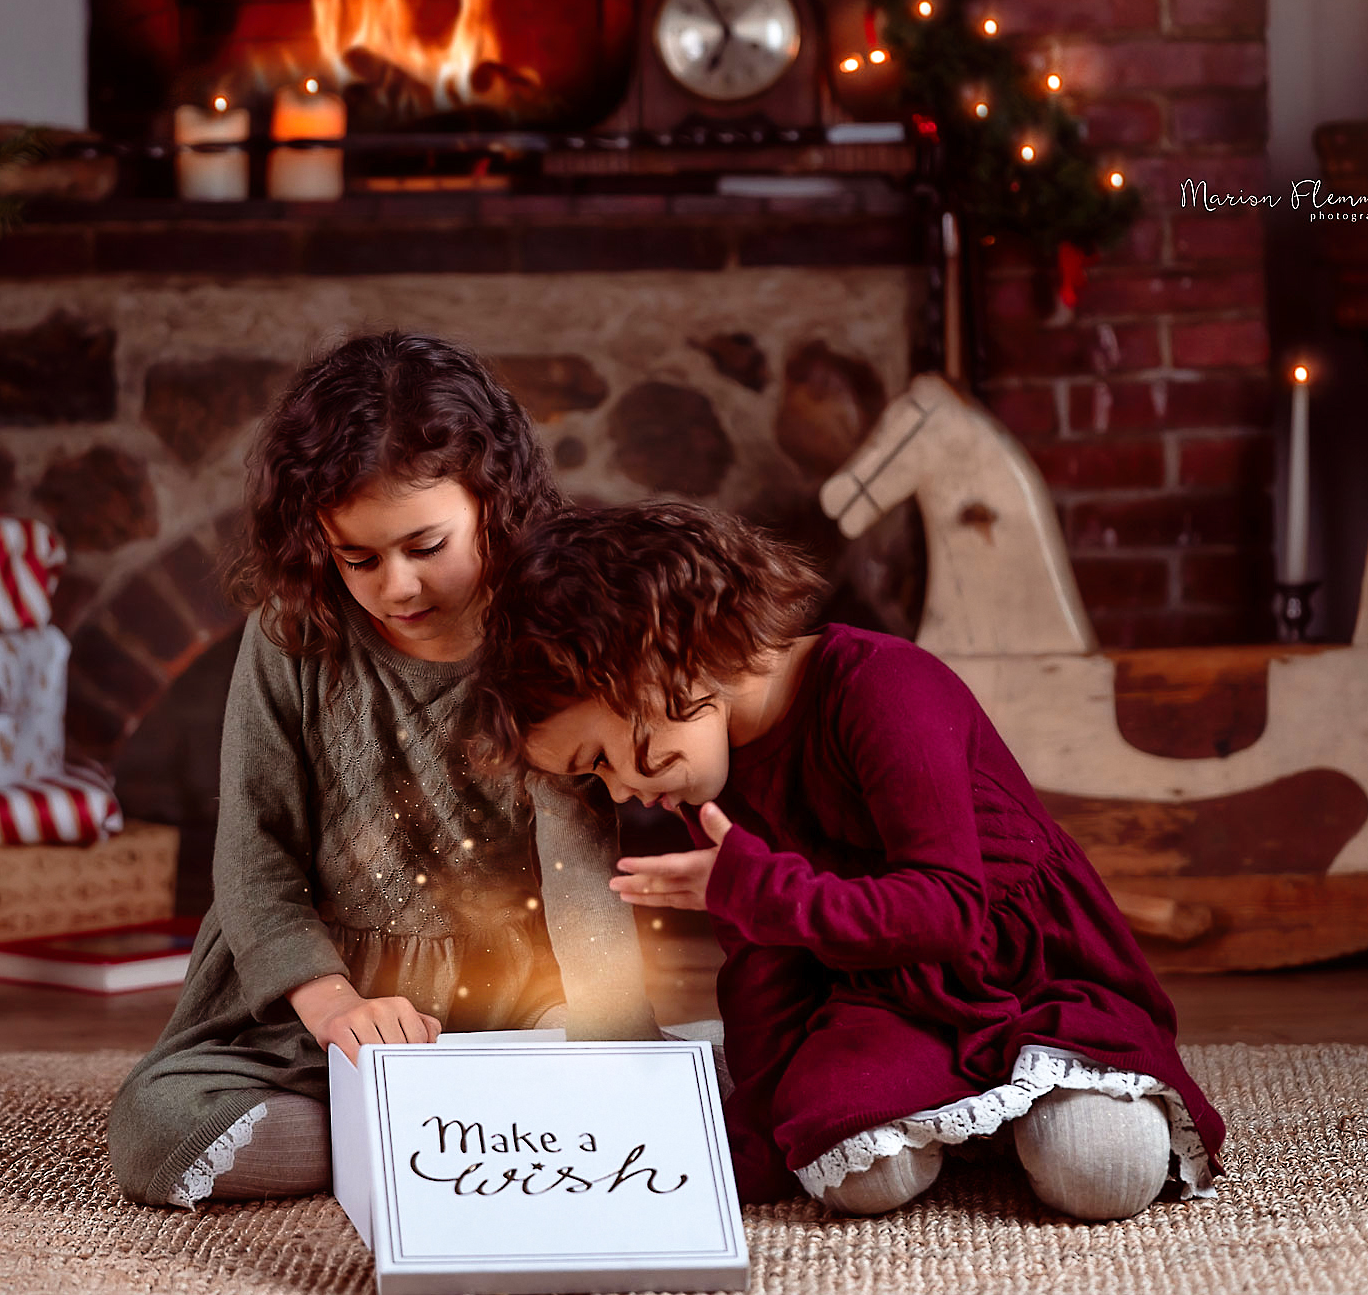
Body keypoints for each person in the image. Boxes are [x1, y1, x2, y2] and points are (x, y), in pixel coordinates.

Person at [471, 500, 1226, 1220]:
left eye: (604, 756)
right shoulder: (718, 776)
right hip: (891, 997)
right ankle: (967, 1113)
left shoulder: (882, 685)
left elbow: (950, 912)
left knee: (1103, 1172)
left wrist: (756, 891)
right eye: (598, 780)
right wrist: (757, 1141)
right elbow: (766, 967)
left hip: (1028, 972)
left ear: (658, 653)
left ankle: (1026, 1098)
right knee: (857, 1170)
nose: (628, 794)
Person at [108, 331, 655, 1209]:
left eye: (426, 545)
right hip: (324, 1017)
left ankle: (438, 1135)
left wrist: (615, 1052)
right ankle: (454, 1138)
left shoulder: (553, 619)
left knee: (657, 1082)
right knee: (158, 1130)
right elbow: (254, 854)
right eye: (358, 558)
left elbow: (580, 867)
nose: (396, 586)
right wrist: (331, 1007)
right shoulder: (290, 635)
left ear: (491, 498)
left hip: (517, 1001)